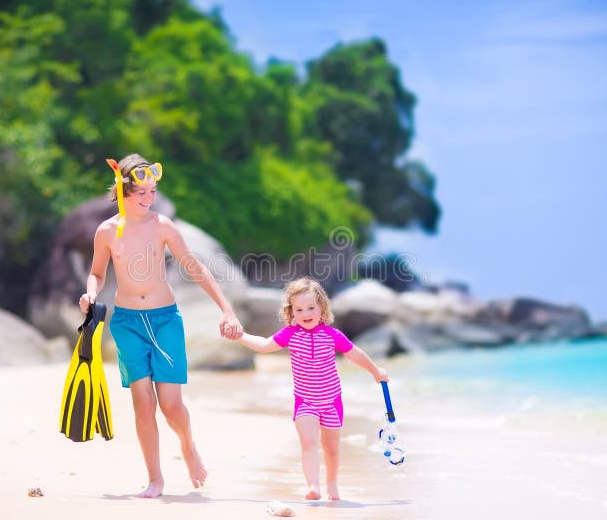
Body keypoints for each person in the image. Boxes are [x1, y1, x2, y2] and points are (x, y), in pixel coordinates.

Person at [79, 153, 243, 498]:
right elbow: (97, 272)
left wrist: (226, 309)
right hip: (126, 323)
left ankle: (188, 444)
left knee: (170, 405)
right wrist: (90, 293)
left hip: (165, 319)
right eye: (141, 192)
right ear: (123, 191)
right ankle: (155, 479)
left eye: (152, 191)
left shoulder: (163, 226)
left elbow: (194, 266)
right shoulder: (106, 231)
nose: (149, 198)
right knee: (143, 402)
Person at [233, 277, 388, 501]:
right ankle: (313, 486)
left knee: (331, 448)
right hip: (305, 402)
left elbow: (355, 354)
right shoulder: (290, 334)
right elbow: (265, 345)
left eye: (311, 308)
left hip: (331, 402)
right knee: (308, 443)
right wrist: (240, 336)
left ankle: (332, 484)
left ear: (322, 308)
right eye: (299, 309)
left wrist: (376, 371)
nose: (306, 313)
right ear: (291, 312)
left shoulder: (333, 336)